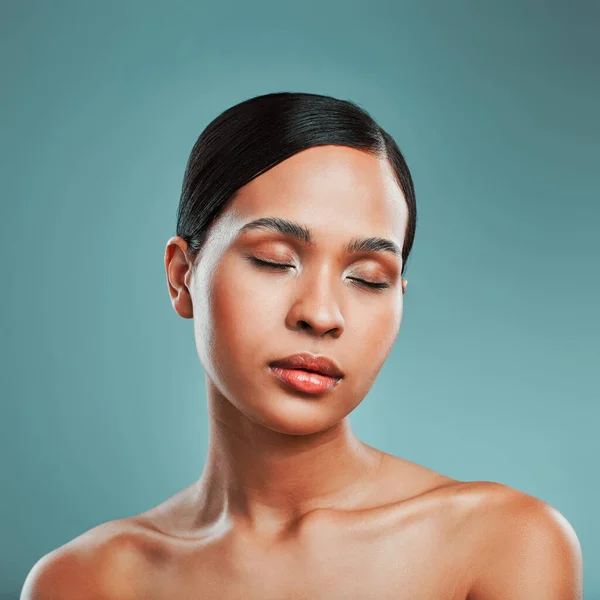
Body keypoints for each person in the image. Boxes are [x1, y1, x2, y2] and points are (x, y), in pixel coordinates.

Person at [21, 92, 583, 599]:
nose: (320, 314)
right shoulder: (84, 581)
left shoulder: (504, 544)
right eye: (273, 261)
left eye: (367, 277)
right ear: (181, 275)